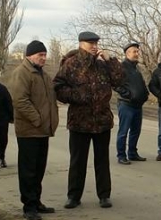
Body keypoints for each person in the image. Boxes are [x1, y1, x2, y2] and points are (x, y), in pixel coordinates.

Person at [53, 31, 124, 209]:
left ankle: (104, 195)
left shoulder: (102, 64)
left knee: (102, 160)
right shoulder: (71, 63)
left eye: (96, 43)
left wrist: (110, 61)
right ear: (81, 44)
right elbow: (58, 87)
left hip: (101, 120)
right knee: (78, 161)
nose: (94, 46)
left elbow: (120, 80)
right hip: (79, 121)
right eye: (90, 43)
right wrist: (76, 95)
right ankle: (74, 196)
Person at [7, 40, 59, 220]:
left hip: (43, 130)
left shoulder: (43, 75)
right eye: (40, 55)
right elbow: (20, 100)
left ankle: (36, 201)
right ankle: (28, 206)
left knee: (39, 168)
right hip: (29, 130)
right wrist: (37, 119)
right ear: (29, 55)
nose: (44, 58)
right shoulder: (22, 73)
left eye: (45, 55)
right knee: (28, 170)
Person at [115, 41, 149, 164]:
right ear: (127, 53)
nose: (137, 53)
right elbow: (116, 84)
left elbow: (141, 84)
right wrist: (128, 95)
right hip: (126, 105)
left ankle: (133, 153)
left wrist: (145, 94)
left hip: (137, 106)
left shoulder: (136, 68)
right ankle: (121, 155)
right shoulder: (122, 67)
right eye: (135, 51)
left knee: (135, 131)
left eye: (137, 51)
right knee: (123, 131)